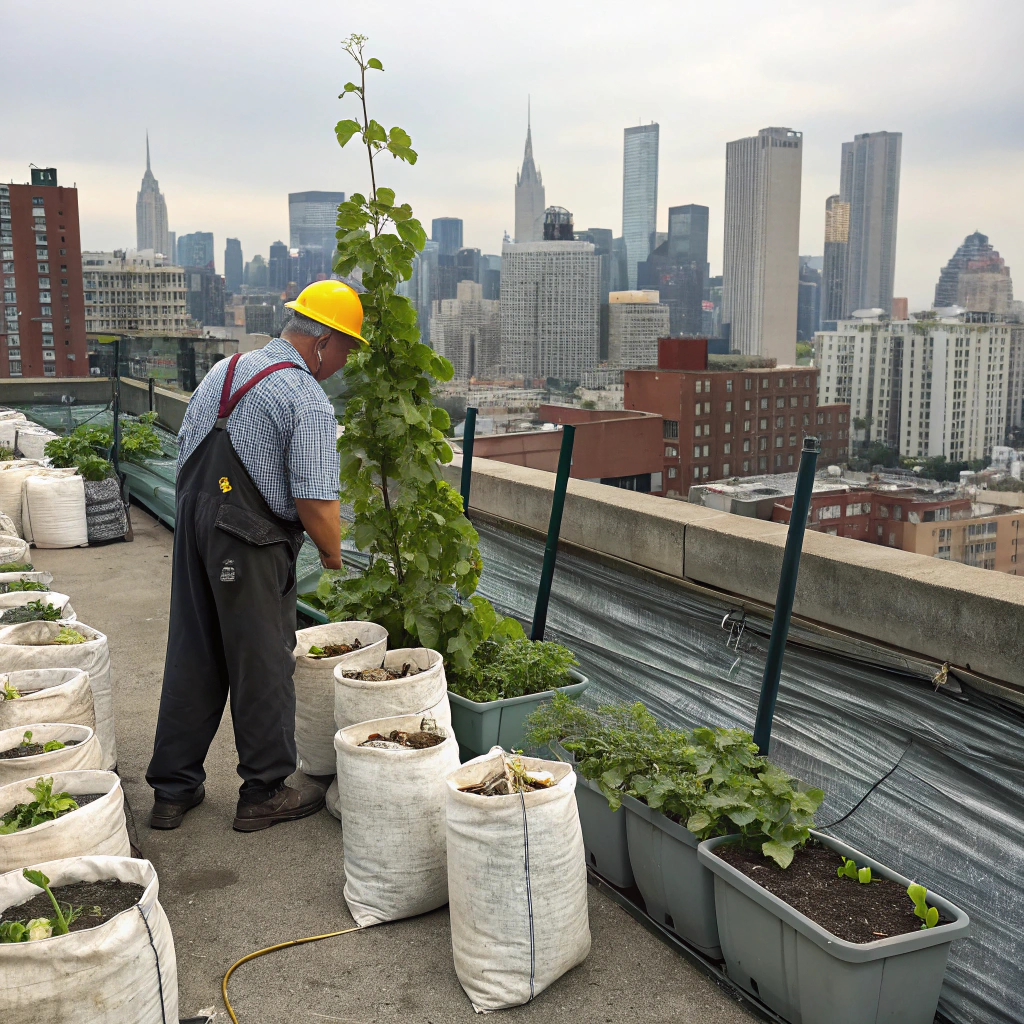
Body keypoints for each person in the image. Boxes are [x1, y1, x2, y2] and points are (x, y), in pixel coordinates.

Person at [146, 280, 365, 832]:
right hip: (250, 538)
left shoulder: (225, 371)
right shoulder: (306, 398)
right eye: (347, 349)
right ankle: (264, 792)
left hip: (194, 523)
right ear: (323, 342)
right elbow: (315, 500)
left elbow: (185, 455)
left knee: (194, 651)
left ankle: (173, 791)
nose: (344, 363)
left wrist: (208, 520)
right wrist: (335, 557)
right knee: (262, 661)